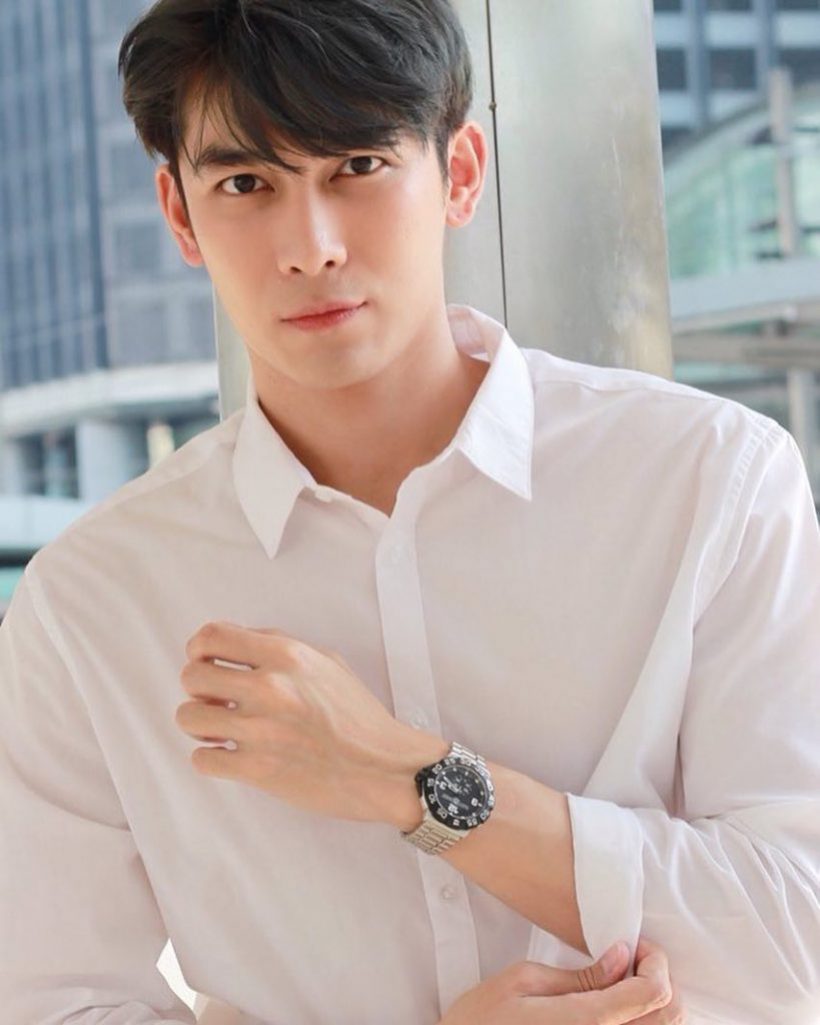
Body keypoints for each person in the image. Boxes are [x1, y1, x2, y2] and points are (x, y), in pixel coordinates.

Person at [1, 0, 817, 1022]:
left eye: (358, 166)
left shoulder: (709, 478)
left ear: (459, 173)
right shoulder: (93, 601)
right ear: (180, 215)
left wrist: (407, 779)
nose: (310, 247)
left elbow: (798, 930)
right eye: (246, 184)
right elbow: (54, 1002)